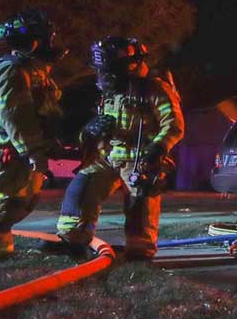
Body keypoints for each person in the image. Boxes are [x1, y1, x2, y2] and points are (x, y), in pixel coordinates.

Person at [53, 37, 184, 260]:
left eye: (109, 70)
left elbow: (174, 125)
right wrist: (89, 131)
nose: (104, 76)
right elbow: (100, 126)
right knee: (80, 190)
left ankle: (139, 253)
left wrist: (157, 150)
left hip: (140, 159)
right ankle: (72, 241)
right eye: (101, 71)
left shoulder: (154, 89)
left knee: (139, 206)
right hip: (108, 156)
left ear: (131, 65)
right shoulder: (110, 94)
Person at [0, 10, 64, 260]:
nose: (50, 45)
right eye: (45, 39)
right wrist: (33, 151)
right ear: (30, 42)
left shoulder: (33, 71)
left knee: (22, 202)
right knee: (2, 200)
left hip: (23, 149)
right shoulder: (10, 71)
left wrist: (48, 143)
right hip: (7, 149)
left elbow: (43, 111)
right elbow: (15, 116)